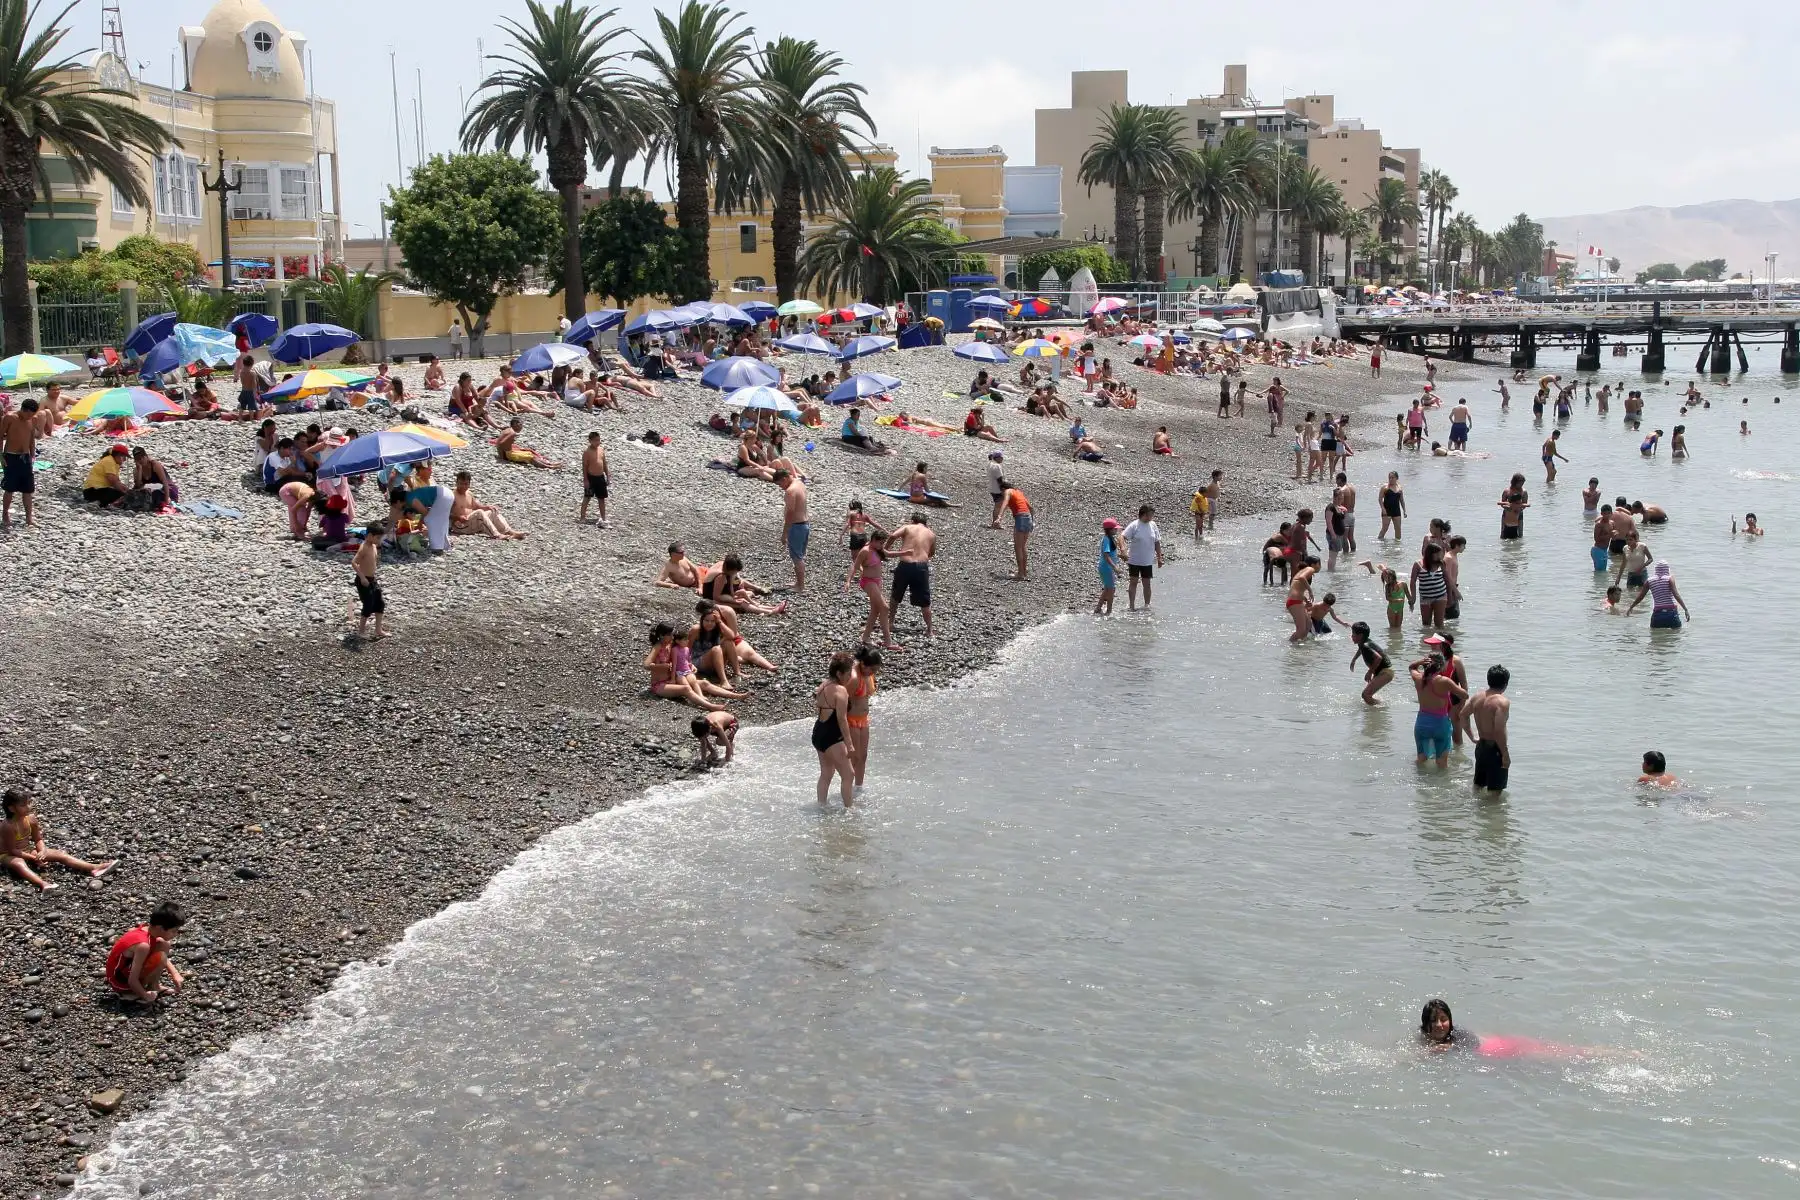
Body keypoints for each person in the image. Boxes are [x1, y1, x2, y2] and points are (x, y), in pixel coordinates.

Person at [2, 787, 115, 890]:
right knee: (19, 863)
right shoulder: (8, 826)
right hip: (8, 854)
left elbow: (38, 839)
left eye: (29, 803)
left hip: (27, 849)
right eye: (23, 805)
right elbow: (13, 850)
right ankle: (43, 884)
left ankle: (94, 867)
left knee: (60, 854)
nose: (28, 807)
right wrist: (34, 858)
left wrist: (42, 851)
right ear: (12, 808)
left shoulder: (31, 819)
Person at [106, 900, 186, 1003]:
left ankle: (154, 986)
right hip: (119, 982)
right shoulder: (143, 946)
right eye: (173, 931)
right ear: (160, 928)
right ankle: (130, 993)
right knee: (160, 955)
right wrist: (145, 996)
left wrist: (175, 974)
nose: (176, 934)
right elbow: (132, 980)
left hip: (125, 970)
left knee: (164, 944)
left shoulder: (146, 930)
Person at [644, 623, 729, 711]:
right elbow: (646, 665)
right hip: (659, 684)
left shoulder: (670, 645)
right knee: (686, 688)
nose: (672, 637)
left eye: (672, 635)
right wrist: (661, 666)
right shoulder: (657, 647)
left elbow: (683, 656)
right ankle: (710, 706)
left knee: (704, 683)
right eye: (669, 635)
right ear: (662, 635)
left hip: (674, 680)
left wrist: (691, 665)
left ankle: (736, 696)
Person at [813, 652, 856, 808]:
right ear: (839, 673)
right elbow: (842, 720)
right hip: (832, 735)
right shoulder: (840, 690)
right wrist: (849, 744)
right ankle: (849, 810)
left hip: (818, 732)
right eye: (848, 672)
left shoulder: (823, 685)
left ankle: (821, 806)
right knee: (849, 774)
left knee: (826, 773)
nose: (851, 676)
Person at [1410, 654, 1466, 768]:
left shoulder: (1418, 678)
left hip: (1422, 724)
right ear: (1441, 666)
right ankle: (1442, 785)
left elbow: (1411, 667)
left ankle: (1419, 784)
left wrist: (1420, 662)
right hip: (1440, 725)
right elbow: (1464, 695)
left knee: (1421, 759)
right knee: (1441, 763)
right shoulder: (1444, 681)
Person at [1463, 664, 1512, 795]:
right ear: (1505, 683)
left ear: (1488, 680)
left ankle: (1475, 813)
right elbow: (1498, 731)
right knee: (1495, 794)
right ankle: (1490, 816)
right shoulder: (1502, 702)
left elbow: (1462, 715)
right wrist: (1505, 754)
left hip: (1481, 747)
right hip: (1495, 750)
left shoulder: (1477, 697)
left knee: (1478, 787)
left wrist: (1472, 737)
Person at [885, 513, 936, 637]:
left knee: (895, 596)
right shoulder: (931, 534)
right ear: (925, 523)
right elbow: (931, 553)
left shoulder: (908, 527)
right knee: (925, 601)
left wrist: (885, 549)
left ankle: (890, 623)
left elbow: (892, 535)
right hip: (921, 567)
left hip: (905, 564)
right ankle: (929, 630)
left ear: (913, 521)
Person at [845, 536, 896, 648]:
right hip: (868, 582)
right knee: (884, 607)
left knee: (876, 610)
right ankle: (888, 642)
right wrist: (848, 581)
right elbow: (855, 565)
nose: (881, 545)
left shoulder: (878, 549)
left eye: (883, 543)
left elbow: (889, 554)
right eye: (880, 542)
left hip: (877, 581)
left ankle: (866, 637)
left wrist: (906, 553)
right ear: (873, 540)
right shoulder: (865, 551)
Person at [450, 470, 524, 540]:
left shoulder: (469, 493)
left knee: (492, 511)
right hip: (460, 526)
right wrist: (458, 517)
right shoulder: (452, 496)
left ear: (469, 484)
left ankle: (510, 532)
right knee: (479, 512)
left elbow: (475, 506)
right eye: (461, 483)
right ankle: (496, 535)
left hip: (471, 521)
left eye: (465, 484)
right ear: (456, 483)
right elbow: (445, 513)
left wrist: (487, 507)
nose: (463, 486)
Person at [847, 646, 881, 790]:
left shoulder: (868, 674)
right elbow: (842, 699)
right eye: (872, 669)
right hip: (851, 719)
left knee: (863, 756)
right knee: (855, 757)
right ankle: (847, 787)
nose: (873, 673)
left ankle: (858, 788)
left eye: (876, 670)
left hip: (863, 719)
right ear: (863, 664)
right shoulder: (854, 677)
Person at [2, 397, 39, 526]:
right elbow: (0, 436)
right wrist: (1, 457)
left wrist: (33, 454)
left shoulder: (33, 419)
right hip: (11, 456)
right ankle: (5, 514)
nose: (32, 417)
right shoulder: (10, 418)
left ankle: (29, 518)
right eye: (30, 414)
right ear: (24, 410)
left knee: (28, 489)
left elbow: (31, 438)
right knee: (9, 488)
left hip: (25, 457)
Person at [1625, 560, 1690, 629]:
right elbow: (1676, 595)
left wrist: (1631, 607)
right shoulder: (1670, 579)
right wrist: (1685, 609)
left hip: (1657, 615)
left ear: (1656, 570)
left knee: (1656, 638)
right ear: (1667, 569)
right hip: (1671, 613)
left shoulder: (1649, 581)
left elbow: (1641, 596)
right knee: (1675, 637)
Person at [1120, 504, 1162, 611]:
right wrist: (1123, 549)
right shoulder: (1134, 525)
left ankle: (1147, 605)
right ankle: (1131, 606)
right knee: (1133, 582)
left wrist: (1159, 557)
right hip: (1134, 559)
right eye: (1150, 515)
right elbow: (1122, 536)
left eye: (1152, 515)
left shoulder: (1153, 525)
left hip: (1147, 561)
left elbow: (1157, 542)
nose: (1151, 517)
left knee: (1147, 583)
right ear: (1143, 514)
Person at [775, 467, 809, 591]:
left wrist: (784, 533)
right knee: (799, 555)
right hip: (805, 524)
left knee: (797, 557)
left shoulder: (790, 491)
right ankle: (798, 583)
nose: (781, 487)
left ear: (784, 479)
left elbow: (790, 513)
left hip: (797, 527)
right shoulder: (800, 483)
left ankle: (800, 586)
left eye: (780, 484)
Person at [1348, 622, 1393, 705]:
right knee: (1368, 695)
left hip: (1385, 672)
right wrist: (1354, 659)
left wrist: (1370, 672)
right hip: (1381, 672)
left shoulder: (1366, 645)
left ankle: (1381, 707)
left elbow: (1378, 658)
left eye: (1353, 634)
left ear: (1360, 636)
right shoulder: (1362, 643)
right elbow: (1360, 649)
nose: (1351, 636)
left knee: (1365, 695)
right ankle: (1377, 709)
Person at [1409, 542, 1450, 630]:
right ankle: (1426, 641)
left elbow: (1447, 579)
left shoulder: (1441, 563)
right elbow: (1413, 581)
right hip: (1425, 597)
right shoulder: (1418, 564)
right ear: (1431, 554)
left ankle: (1439, 641)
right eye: (1438, 554)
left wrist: (1450, 596)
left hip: (1441, 596)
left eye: (1441, 553)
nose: (1440, 556)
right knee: (1426, 624)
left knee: (1439, 624)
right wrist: (1413, 598)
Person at [495, 416, 561, 468]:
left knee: (529, 453)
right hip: (508, 454)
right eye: (521, 424)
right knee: (530, 457)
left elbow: (499, 442)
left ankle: (549, 463)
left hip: (509, 452)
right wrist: (502, 457)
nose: (522, 427)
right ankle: (549, 466)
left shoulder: (508, 429)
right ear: (515, 424)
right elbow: (501, 443)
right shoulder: (512, 433)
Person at [1000, 483, 1034, 580]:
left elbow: (1005, 503)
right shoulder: (1018, 492)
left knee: (1018, 547)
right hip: (1028, 517)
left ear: (1003, 489)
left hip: (1021, 517)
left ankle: (1020, 574)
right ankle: (1023, 572)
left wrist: (999, 517)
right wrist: (1032, 522)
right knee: (1022, 546)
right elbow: (1031, 508)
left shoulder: (1008, 491)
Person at [1284, 555, 1319, 644]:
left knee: (1308, 624)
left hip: (1297, 601)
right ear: (1315, 564)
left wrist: (1304, 598)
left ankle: (1301, 643)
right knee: (1301, 630)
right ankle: (1290, 645)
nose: (1320, 566)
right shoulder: (1310, 569)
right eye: (1319, 564)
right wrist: (1310, 591)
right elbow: (1301, 578)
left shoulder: (1302, 571)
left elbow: (1295, 587)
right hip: (1294, 602)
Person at [128, 447, 177, 511]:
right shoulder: (136, 470)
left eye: (142, 457)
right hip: (150, 491)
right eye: (138, 459)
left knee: (155, 494)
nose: (141, 460)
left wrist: (167, 498)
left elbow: (164, 481)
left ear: (146, 456)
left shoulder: (155, 465)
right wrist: (139, 470)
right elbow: (138, 485)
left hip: (166, 489)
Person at [580, 431, 610, 527]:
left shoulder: (601, 449)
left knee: (601, 498)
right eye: (595, 440)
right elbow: (584, 467)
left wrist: (608, 475)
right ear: (590, 441)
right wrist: (585, 480)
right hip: (591, 477)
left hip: (600, 477)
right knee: (587, 497)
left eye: (599, 440)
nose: (598, 442)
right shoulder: (587, 452)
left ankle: (603, 518)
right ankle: (582, 517)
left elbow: (604, 463)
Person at [1095, 517, 1124, 615]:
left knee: (1108, 588)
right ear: (1109, 530)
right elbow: (1106, 555)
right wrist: (1114, 567)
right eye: (1115, 529)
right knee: (1111, 589)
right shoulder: (1107, 539)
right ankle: (1109, 611)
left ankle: (1098, 608)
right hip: (1106, 567)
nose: (1116, 530)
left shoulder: (1110, 538)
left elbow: (1112, 553)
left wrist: (1121, 556)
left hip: (1106, 567)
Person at [1498, 475, 1529, 541]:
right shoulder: (1507, 491)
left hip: (1519, 513)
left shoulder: (1524, 492)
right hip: (1507, 513)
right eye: (1520, 483)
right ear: (1514, 482)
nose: (1521, 485)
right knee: (1503, 534)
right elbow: (1502, 502)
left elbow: (1525, 504)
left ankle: (1518, 549)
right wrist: (1507, 508)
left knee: (1520, 534)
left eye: (1523, 483)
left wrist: (1519, 509)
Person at [1378, 472, 1406, 540]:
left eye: (1392, 477)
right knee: (1385, 528)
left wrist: (1404, 511)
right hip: (1387, 510)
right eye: (1389, 478)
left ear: (1397, 478)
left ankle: (1397, 546)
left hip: (1396, 510)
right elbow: (1380, 499)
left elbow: (1401, 500)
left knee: (1398, 529)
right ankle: (1380, 542)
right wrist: (1383, 509)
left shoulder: (1399, 488)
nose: (1390, 479)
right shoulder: (1385, 487)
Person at [986, 451, 1007, 529]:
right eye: (1001, 457)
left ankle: (995, 522)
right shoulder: (997, 466)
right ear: (997, 458)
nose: (1002, 459)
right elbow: (1000, 480)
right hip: (998, 489)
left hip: (992, 488)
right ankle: (995, 523)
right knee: (998, 506)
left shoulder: (990, 464)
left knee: (997, 506)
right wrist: (1006, 488)